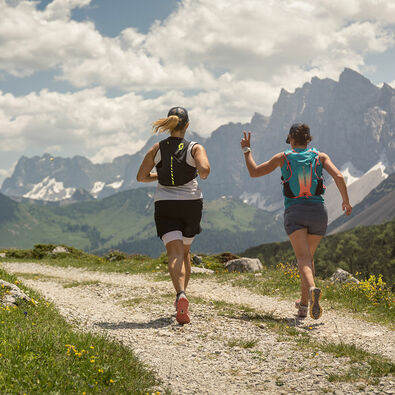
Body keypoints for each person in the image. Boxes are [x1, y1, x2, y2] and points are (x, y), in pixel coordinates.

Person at [240, 123, 352, 319]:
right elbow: (339, 176)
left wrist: (246, 150)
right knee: (308, 258)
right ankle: (303, 305)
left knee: (303, 259)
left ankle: (312, 290)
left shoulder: (283, 158)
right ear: (308, 139)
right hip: (318, 212)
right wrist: (345, 201)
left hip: (295, 211)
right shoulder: (321, 157)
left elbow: (254, 171)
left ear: (290, 138)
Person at [137, 107, 210, 324]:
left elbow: (141, 177)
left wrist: (159, 177)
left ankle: (180, 294)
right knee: (185, 251)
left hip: (165, 204)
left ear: (170, 124)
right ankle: (183, 295)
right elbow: (205, 171)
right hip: (191, 204)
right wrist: (195, 167)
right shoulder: (195, 147)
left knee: (174, 252)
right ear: (187, 125)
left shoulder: (157, 148)